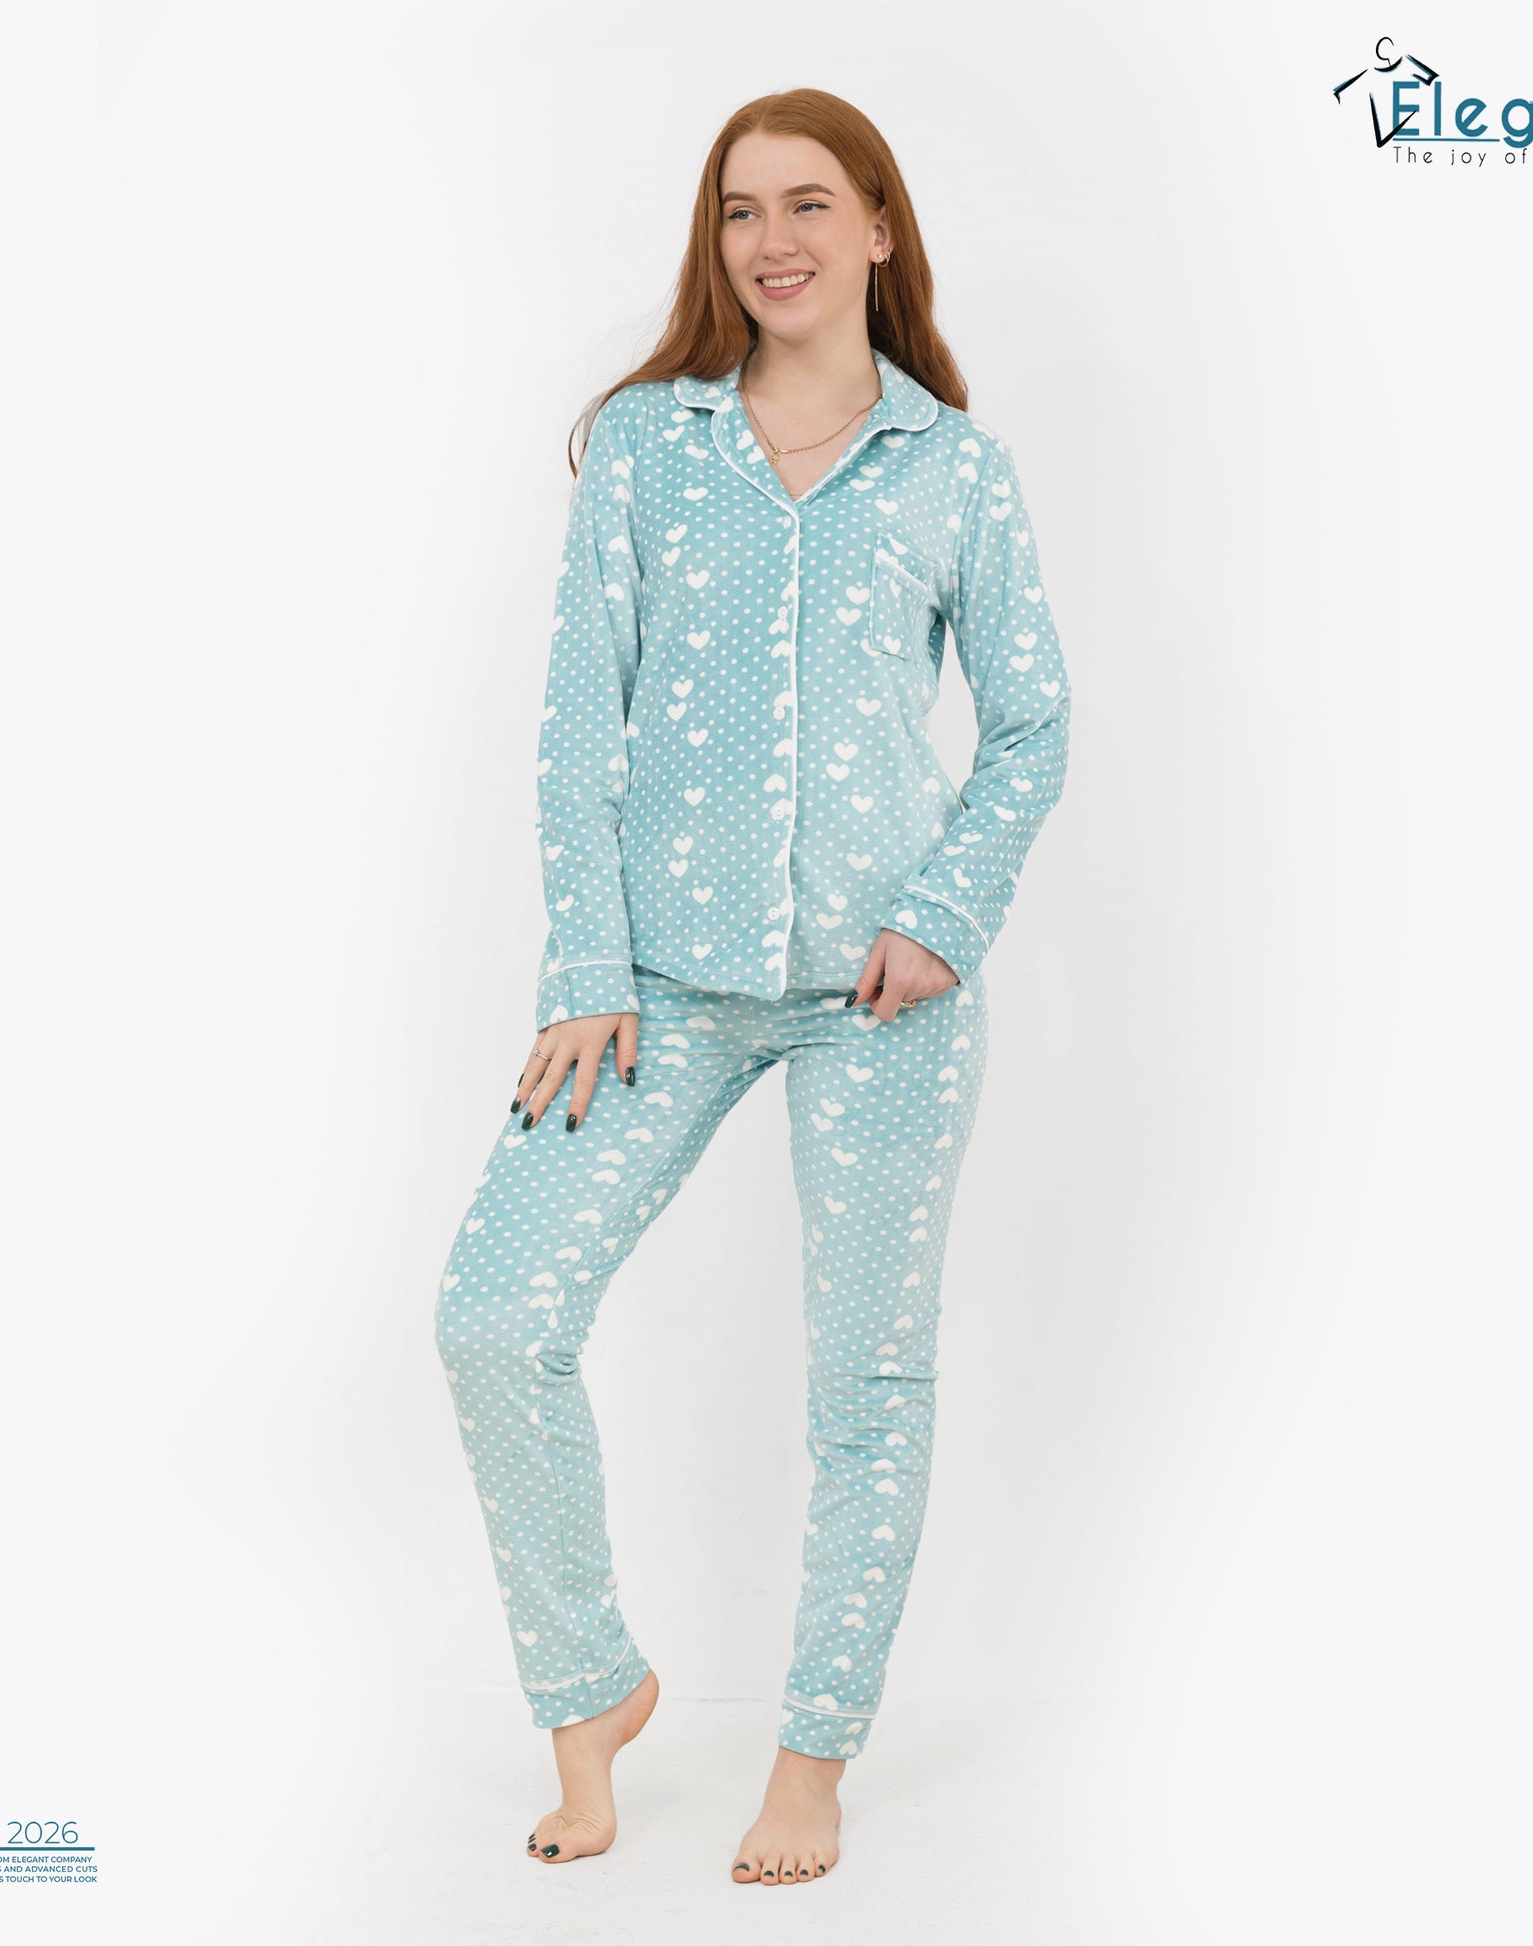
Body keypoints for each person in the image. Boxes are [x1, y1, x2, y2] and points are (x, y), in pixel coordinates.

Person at [433, 86, 1071, 1887]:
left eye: (804, 203)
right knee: (493, 1314)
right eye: (737, 210)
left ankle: (812, 1757)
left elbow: (1030, 722)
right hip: (657, 983)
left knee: (866, 1380)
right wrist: (583, 964)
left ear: (877, 226)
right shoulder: (650, 444)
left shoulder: (954, 469)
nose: (769, 240)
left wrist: (942, 915)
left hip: (884, 993)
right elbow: (579, 719)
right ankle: (593, 1694)